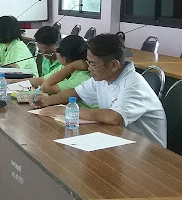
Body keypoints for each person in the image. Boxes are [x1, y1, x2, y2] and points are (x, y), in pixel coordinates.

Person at [34, 34, 167, 147]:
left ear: (113, 65)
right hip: (121, 142)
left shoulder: (134, 84)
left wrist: (66, 110)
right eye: (88, 62)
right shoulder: (103, 78)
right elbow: (75, 92)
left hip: (149, 153)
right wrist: (48, 100)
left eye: (93, 64)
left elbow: (114, 117)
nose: (88, 68)